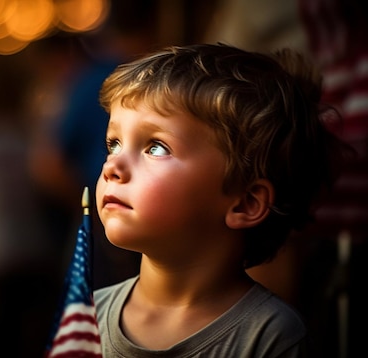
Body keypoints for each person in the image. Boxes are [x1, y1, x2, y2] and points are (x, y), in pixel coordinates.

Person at [92, 43, 353, 357]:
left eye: (156, 147)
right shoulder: (86, 317)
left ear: (245, 203)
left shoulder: (271, 337)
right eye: (114, 144)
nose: (112, 167)